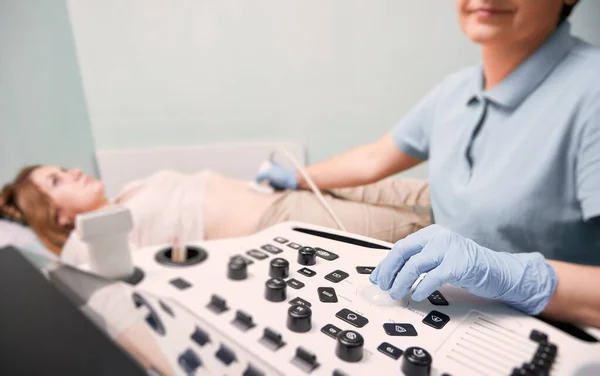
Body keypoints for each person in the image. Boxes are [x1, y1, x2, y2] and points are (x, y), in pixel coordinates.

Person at [256, 0, 600, 266]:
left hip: (503, 289)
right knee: (263, 193)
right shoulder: (458, 88)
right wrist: (297, 177)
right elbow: (375, 158)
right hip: (440, 218)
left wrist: (519, 278)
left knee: (245, 209)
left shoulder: (590, 89)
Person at [0, 165, 431, 262]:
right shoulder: (99, 240)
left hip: (287, 185)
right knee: (414, 227)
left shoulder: (131, 191)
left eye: (60, 169)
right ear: (58, 217)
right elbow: (75, 264)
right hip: (286, 220)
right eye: (57, 182)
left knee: (416, 192)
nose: (72, 171)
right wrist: (23, 227)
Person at [369, 224, 600, 328]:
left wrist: (517, 276)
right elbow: (373, 157)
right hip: (440, 256)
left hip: (553, 306)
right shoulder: (446, 123)